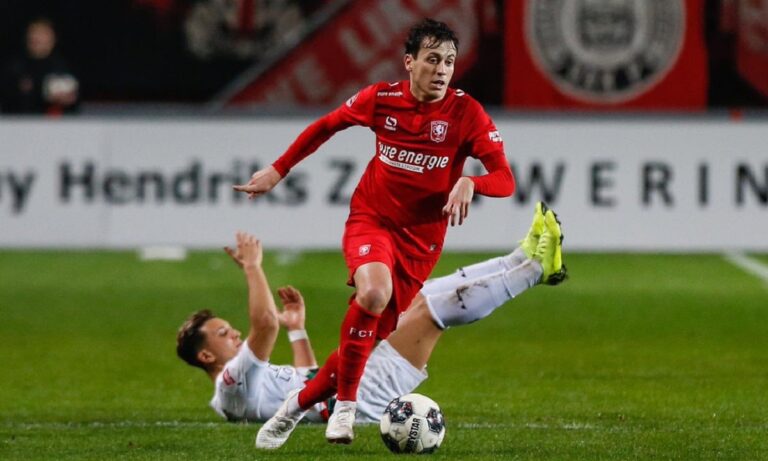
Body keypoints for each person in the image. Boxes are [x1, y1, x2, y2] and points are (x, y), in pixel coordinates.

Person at [233, 18, 564, 443]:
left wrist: (471, 182)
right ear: (409, 62)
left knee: (365, 341)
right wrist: (279, 170)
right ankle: (345, 409)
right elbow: (326, 125)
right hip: (372, 219)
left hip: (421, 241)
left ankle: (292, 409)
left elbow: (505, 179)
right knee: (373, 293)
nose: (442, 69)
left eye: (449, 61)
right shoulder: (381, 99)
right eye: (433, 59)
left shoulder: (466, 113)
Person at [175, 203, 566, 449]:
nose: (235, 333)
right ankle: (534, 270)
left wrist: (297, 330)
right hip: (365, 398)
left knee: (417, 296)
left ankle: (520, 257)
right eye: (222, 334)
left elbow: (309, 376)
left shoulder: (248, 386)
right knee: (430, 314)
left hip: (349, 385)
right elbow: (263, 324)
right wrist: (252, 267)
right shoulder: (231, 386)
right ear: (206, 356)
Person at [1, 18, 80, 115]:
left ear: (53, 38)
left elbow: (75, 104)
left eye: (43, 33)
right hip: (19, 121)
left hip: (56, 122)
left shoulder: (64, 67)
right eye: (34, 33)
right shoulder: (14, 67)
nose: (37, 38)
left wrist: (67, 100)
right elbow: (8, 100)